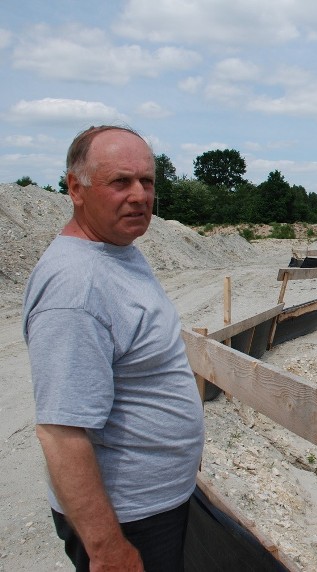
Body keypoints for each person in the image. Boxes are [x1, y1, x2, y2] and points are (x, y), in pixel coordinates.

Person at [22, 125, 205, 571]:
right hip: (129, 521)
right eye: (120, 181)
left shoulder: (116, 248)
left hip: (151, 507)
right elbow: (62, 434)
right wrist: (107, 549)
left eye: (148, 182)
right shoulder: (77, 287)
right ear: (75, 188)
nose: (140, 195)